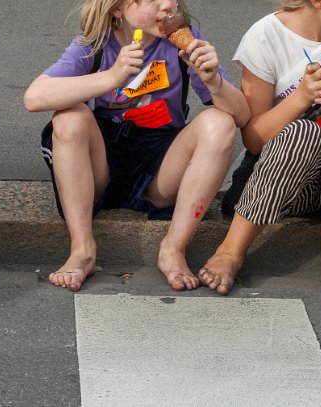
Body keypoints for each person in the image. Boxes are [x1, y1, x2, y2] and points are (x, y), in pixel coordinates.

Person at [23, 0, 250, 292]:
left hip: (160, 161)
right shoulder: (95, 44)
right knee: (69, 118)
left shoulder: (183, 40)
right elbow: (34, 97)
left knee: (220, 123)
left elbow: (241, 116)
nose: (167, 4)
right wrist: (111, 77)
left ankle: (173, 248)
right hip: (100, 163)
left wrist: (214, 81)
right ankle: (82, 249)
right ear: (118, 9)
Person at [199, 0, 321, 295]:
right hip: (288, 182)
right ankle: (230, 250)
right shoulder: (266, 36)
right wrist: (302, 96)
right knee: (303, 131)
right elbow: (253, 140)